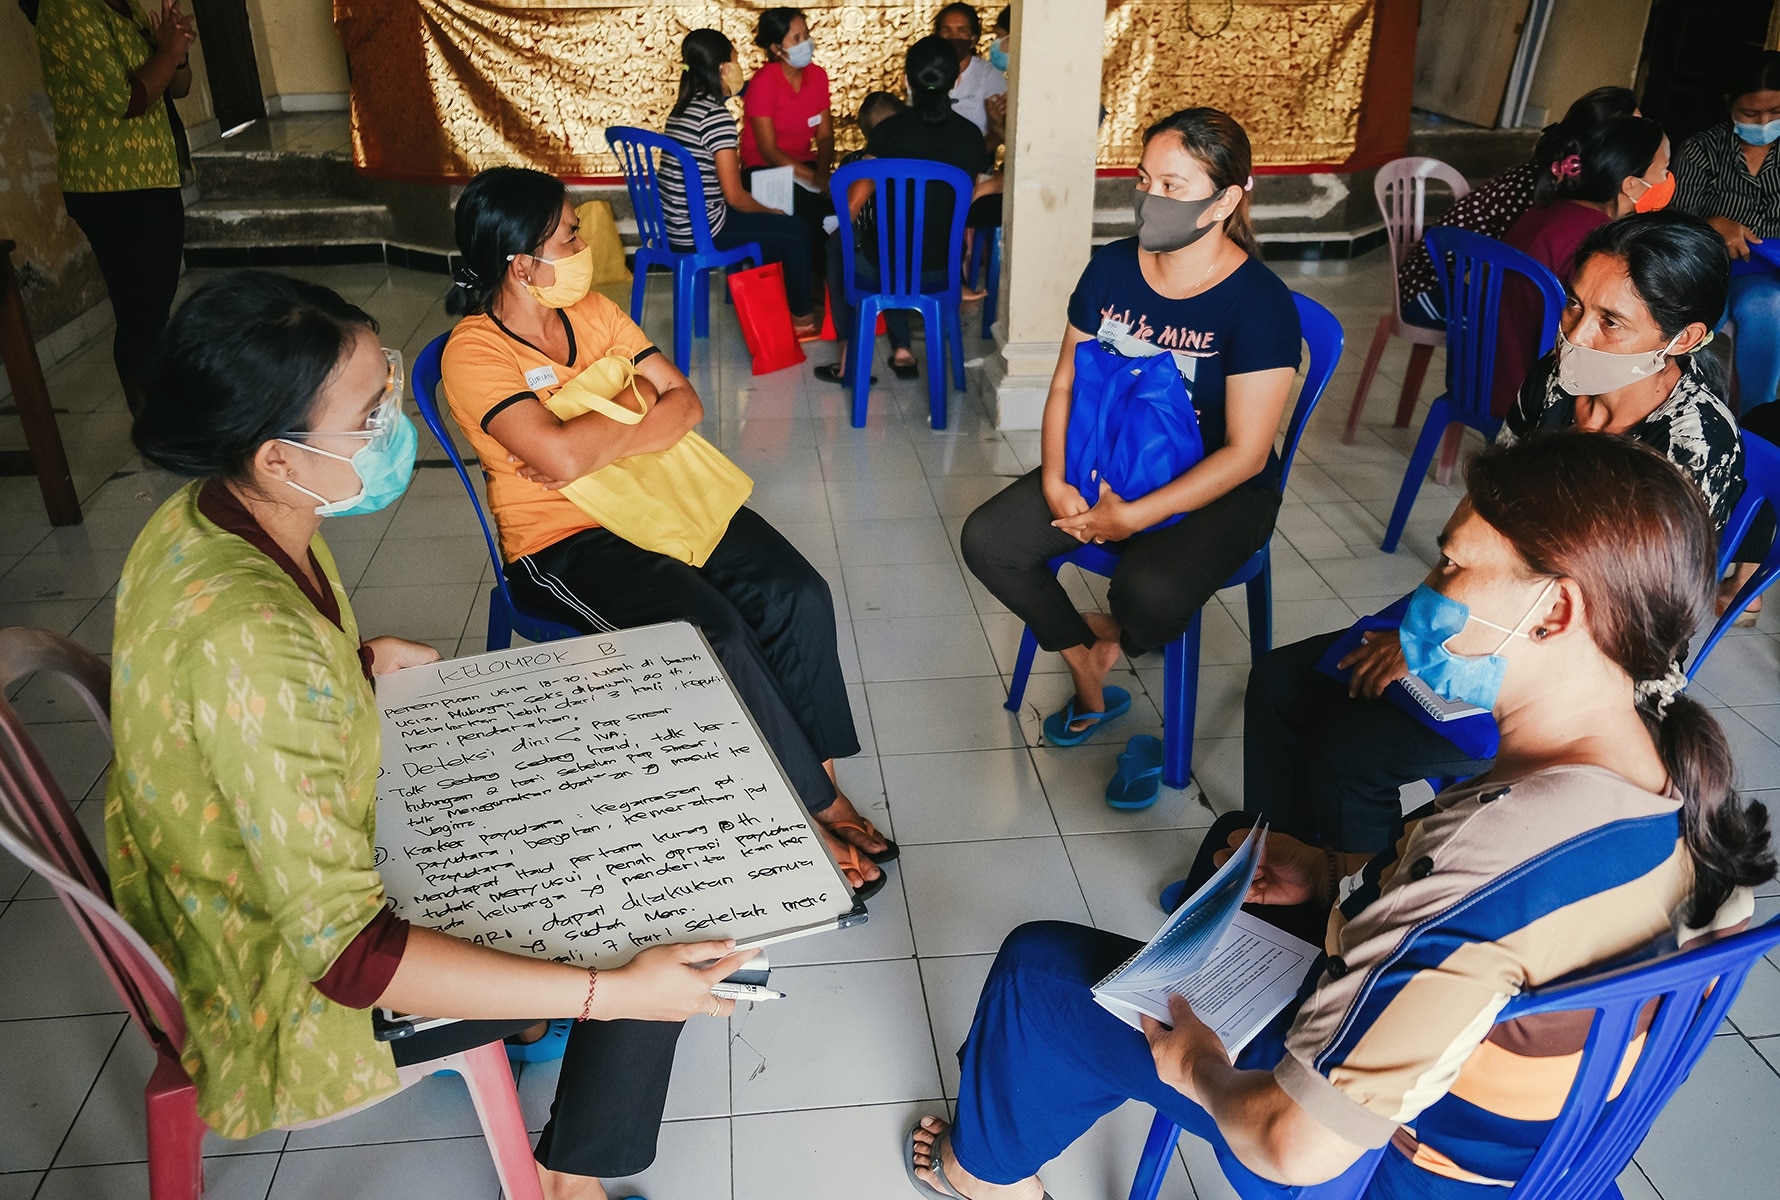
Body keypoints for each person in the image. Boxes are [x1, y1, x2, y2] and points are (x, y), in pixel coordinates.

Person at [910, 431, 1775, 1200]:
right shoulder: (1680, 781)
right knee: (1237, 853)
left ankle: (979, 1172)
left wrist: (1200, 1066)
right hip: (1549, 1164)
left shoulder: (1483, 863)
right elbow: (1510, 945)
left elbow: (1296, 1149)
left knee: (1038, 973)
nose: (1427, 595)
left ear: (1554, 611)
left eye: (1452, 567)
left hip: (1384, 1169)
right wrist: (1336, 875)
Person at [109, 270, 758, 1198]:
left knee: (584, 772)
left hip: (269, 860)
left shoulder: (216, 516)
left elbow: (236, 701)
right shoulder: (248, 636)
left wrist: (355, 664)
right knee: (649, 904)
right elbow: (350, 961)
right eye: (369, 413)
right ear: (279, 456)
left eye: (386, 387)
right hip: (280, 987)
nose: (393, 424)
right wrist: (618, 992)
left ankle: (525, 1018)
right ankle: (571, 1177)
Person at [438, 167, 895, 896]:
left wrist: (596, 435)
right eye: (569, 236)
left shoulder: (592, 311)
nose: (585, 245)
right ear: (522, 264)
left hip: (657, 500)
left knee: (794, 591)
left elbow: (685, 403)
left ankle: (824, 788)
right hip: (565, 541)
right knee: (713, 632)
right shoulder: (475, 352)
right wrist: (632, 404)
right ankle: (801, 815)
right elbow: (566, 456)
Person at [1247, 212, 1743, 856]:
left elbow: (1604, 621)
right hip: (1488, 606)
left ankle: (1346, 900)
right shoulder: (1556, 380)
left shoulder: (1691, 446)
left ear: (1683, 337)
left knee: (1351, 757)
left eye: (1611, 322)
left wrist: (1439, 648)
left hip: (1585, 668)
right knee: (1280, 682)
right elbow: (1483, 516)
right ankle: (1269, 873)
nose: (1576, 335)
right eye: (1574, 305)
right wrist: (1425, 624)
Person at [960, 107, 1300, 744]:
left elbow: (1247, 454)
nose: (1150, 197)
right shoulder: (1112, 268)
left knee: (1149, 592)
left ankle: (1114, 630)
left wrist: (1133, 518)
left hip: (1219, 485)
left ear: (1225, 200)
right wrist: (1057, 480)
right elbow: (1065, 383)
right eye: (1144, 179)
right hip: (1112, 453)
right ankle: (1082, 652)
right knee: (989, 541)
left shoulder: (1260, 304)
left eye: (1173, 185)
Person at [31, 0, 196, 414]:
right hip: (109, 185)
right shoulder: (67, 8)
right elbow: (127, 98)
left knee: (152, 311)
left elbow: (177, 87)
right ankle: (156, 425)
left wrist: (177, 53)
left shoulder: (126, 7)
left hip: (153, 175)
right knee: (142, 317)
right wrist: (167, 51)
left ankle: (165, 417)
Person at [1673, 49, 1780, 616]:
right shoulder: (1703, 150)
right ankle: (1692, 426)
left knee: (1766, 307)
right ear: (1728, 105)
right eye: (1750, 112)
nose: (1762, 122)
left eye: (1775, 112)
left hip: (1768, 280)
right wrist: (1710, 225)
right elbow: (1669, 226)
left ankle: (1755, 431)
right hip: (1709, 269)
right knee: (1691, 334)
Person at [818, 37, 990, 385]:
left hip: (885, 269)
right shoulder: (971, 136)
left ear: (906, 80)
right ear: (956, 79)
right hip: (943, 271)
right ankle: (925, 359)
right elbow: (969, 195)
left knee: (839, 246)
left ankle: (849, 358)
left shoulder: (888, 132)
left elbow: (853, 205)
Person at [1397, 86, 1637, 329]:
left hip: (1451, 283)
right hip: (1426, 289)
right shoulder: (1545, 186)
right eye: (1634, 132)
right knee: (1509, 332)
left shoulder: (1557, 178)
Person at [1490, 114, 1670, 417]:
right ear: (1630, 184)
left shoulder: (1542, 213)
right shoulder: (1601, 245)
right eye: (1663, 169)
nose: (1667, 180)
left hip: (1484, 377)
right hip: (1537, 396)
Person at [660, 28, 817, 337]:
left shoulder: (682, 110)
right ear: (723, 69)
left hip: (675, 227)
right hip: (704, 231)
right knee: (797, 230)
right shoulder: (715, 117)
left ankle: (779, 303)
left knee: (779, 227)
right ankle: (802, 320)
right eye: (736, 60)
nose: (739, 68)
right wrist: (772, 211)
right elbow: (734, 197)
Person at [740, 7, 835, 245]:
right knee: (815, 215)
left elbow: (825, 136)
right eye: (796, 38)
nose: (806, 43)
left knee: (841, 209)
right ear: (776, 48)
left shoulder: (818, 76)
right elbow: (768, 151)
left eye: (806, 35)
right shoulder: (763, 83)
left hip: (805, 166)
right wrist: (816, 179)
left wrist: (823, 172)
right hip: (764, 171)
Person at [933, 1, 1007, 149]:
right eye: (947, 30)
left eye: (961, 31)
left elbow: (999, 130)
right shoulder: (927, 71)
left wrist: (971, 156)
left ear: (973, 39)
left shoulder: (989, 74)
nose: (953, 37)